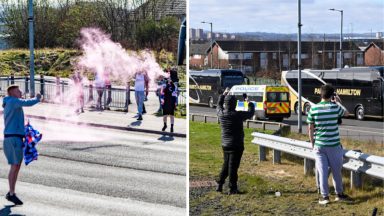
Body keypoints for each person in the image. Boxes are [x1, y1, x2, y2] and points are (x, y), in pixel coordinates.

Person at [307, 84, 350, 205]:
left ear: (321, 94)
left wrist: (312, 144)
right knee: (336, 171)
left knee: (322, 172)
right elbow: (347, 113)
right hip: (334, 145)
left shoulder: (313, 109)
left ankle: (325, 197)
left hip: (319, 146)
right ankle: (339, 194)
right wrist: (338, 102)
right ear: (331, 95)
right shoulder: (334, 107)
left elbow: (310, 128)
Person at [2, 85, 41, 205]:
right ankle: (11, 194)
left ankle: (11, 192)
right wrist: (38, 98)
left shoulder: (11, 102)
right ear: (12, 92)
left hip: (14, 137)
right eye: (18, 90)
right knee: (15, 166)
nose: (21, 92)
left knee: (16, 166)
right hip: (13, 138)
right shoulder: (13, 101)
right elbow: (28, 102)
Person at [216, 87, 255, 194]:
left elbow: (218, 105)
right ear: (235, 104)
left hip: (225, 144)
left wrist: (223, 94)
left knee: (226, 164)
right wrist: (248, 102)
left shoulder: (221, 114)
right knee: (233, 167)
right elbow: (251, 112)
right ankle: (232, 188)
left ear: (226, 104)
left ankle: (219, 184)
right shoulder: (237, 115)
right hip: (236, 144)